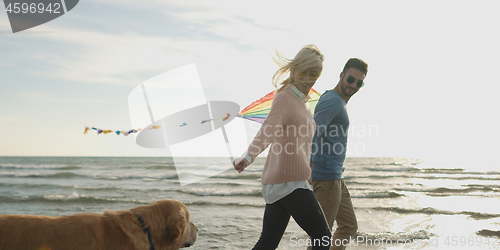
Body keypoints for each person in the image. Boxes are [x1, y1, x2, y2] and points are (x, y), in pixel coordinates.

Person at [233, 44, 332, 250]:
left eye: (315, 75)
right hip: (289, 181)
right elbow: (267, 130)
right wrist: (248, 156)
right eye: (306, 72)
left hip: (287, 179)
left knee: (268, 242)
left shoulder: (301, 102)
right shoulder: (285, 98)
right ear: (295, 69)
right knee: (323, 237)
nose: (310, 79)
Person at [309, 58, 368, 250]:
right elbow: (312, 132)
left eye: (359, 82)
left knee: (349, 226)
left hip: (335, 178)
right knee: (321, 238)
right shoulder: (333, 101)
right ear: (342, 75)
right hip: (325, 179)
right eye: (351, 79)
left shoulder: (337, 101)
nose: (354, 85)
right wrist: (308, 166)